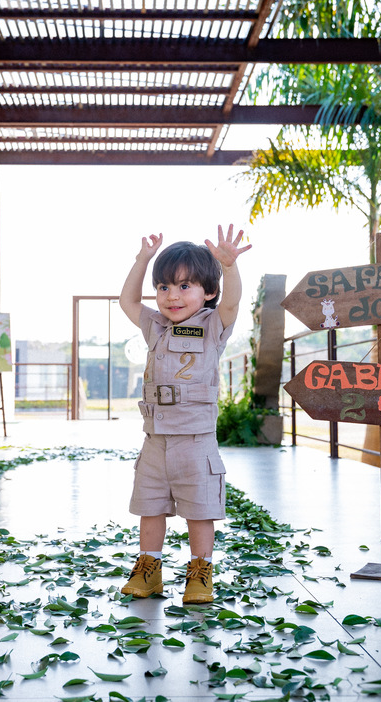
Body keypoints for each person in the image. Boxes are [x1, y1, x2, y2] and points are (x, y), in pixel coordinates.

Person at [117, 223, 251, 604]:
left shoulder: (212, 326)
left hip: (195, 442)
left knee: (199, 511)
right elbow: (127, 301)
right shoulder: (155, 326)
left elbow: (232, 303)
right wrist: (142, 260)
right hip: (155, 441)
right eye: (163, 287)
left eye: (184, 286)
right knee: (150, 506)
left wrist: (229, 267)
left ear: (208, 292)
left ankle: (200, 573)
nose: (172, 296)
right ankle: (149, 569)